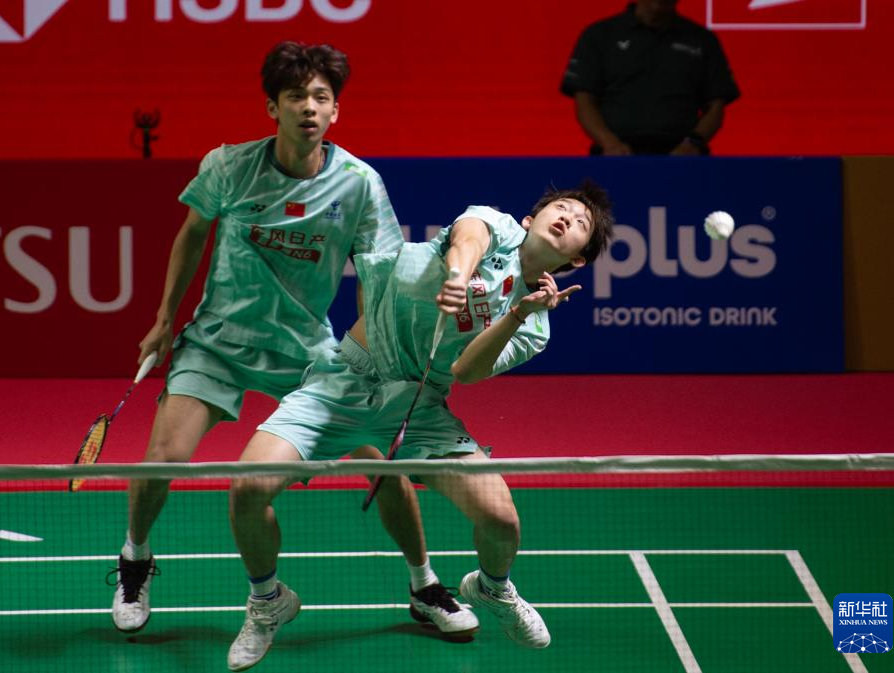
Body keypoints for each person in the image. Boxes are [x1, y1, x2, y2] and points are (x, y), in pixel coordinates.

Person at [109, 41, 463, 640]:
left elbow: (377, 279)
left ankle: (424, 584)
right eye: (296, 96)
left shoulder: (358, 184)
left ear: (335, 111)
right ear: (273, 107)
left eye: (321, 97)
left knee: (382, 462)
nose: (309, 107)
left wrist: (378, 360)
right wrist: (165, 318)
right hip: (218, 341)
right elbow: (192, 233)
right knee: (161, 458)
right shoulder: (229, 166)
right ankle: (135, 558)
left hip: (306, 350)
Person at [226, 182, 616, 670]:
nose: (566, 218)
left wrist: (518, 313)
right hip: (344, 380)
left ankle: (493, 588)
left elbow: (467, 371)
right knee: (247, 486)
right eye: (561, 208)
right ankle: (268, 601)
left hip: (419, 405)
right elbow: (468, 238)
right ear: (528, 220)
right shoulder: (495, 224)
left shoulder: (536, 327)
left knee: (501, 520)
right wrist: (458, 276)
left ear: (578, 258)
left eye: (580, 223)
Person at [559, 0, 740, 155]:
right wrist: (608, 142)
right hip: (614, 156)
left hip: (683, 158)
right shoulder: (599, 35)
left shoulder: (703, 39)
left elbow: (716, 105)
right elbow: (584, 100)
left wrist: (693, 143)